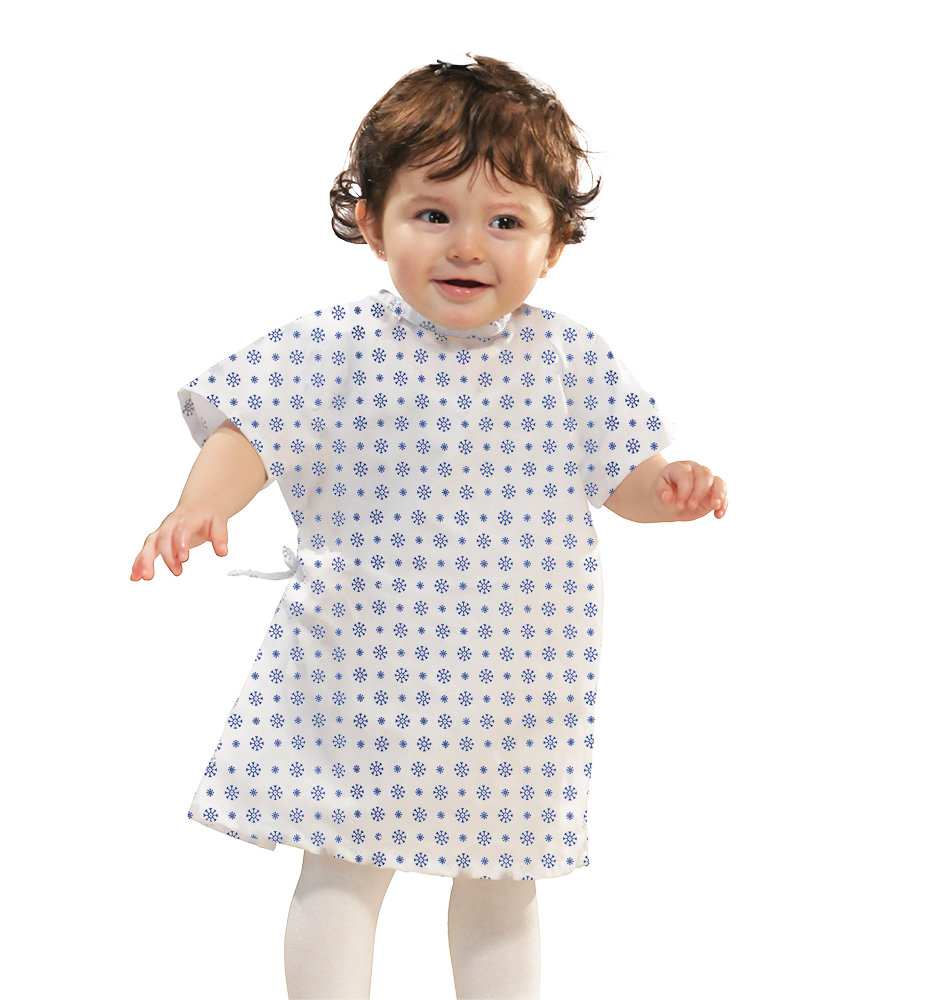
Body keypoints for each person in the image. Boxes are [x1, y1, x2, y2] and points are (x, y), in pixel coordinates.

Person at [131, 55, 728, 1000]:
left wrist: (671, 488)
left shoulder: (571, 361)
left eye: (505, 222)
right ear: (373, 222)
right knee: (341, 860)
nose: (467, 247)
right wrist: (203, 502)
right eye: (433, 215)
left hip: (515, 681)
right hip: (359, 660)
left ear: (554, 243)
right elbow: (252, 431)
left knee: (502, 877)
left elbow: (627, 480)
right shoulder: (333, 345)